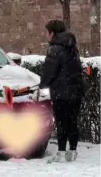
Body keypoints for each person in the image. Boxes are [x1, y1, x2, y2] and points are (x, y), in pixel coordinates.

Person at [39, 20, 86, 163]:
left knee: (61, 122)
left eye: (47, 32)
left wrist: (42, 85)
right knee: (72, 121)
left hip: (61, 93)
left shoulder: (54, 49)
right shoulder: (73, 47)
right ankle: (72, 151)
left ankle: (60, 152)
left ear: (52, 33)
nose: (46, 35)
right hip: (76, 90)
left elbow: (49, 72)